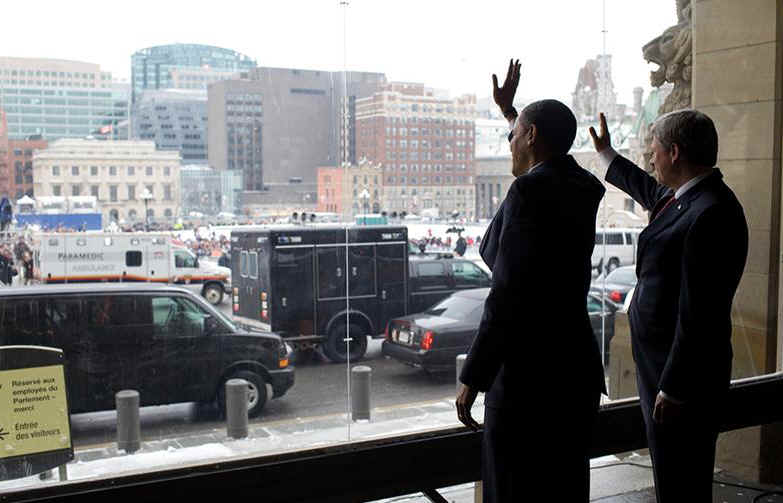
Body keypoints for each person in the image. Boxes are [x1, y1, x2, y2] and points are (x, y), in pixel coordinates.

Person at [457, 59, 606, 502]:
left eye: (515, 135)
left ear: (532, 137)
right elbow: (546, 154)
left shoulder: (527, 192)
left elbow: (506, 294)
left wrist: (474, 377)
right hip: (574, 371)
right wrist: (512, 113)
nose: (510, 146)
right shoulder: (584, 186)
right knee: (566, 486)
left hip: (528, 380)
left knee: (513, 488)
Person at [590, 110, 748, 502]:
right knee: (671, 469)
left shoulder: (711, 212)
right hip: (664, 369)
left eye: (654, 151)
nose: (651, 159)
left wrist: (675, 387)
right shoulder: (686, 198)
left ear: (674, 153)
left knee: (683, 476)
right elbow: (644, 185)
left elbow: (701, 313)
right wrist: (607, 153)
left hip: (681, 380)